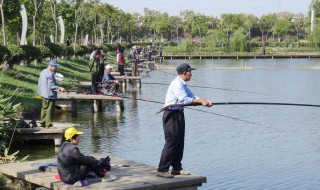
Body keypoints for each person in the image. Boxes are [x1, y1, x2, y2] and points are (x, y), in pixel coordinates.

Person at [156, 63, 213, 178]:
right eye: (190, 72)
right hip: (171, 115)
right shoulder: (176, 84)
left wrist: (204, 101)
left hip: (179, 114)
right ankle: (162, 170)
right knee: (171, 142)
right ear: (184, 73)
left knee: (180, 142)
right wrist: (201, 101)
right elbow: (184, 99)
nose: (191, 74)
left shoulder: (183, 84)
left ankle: (176, 168)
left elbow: (192, 96)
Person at [38, 59, 66, 128]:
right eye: (55, 66)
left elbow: (40, 83)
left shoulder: (43, 71)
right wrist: (60, 88)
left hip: (43, 94)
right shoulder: (50, 74)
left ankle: (42, 123)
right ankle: (48, 124)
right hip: (49, 95)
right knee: (50, 109)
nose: (56, 68)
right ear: (51, 66)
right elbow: (51, 86)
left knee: (44, 108)